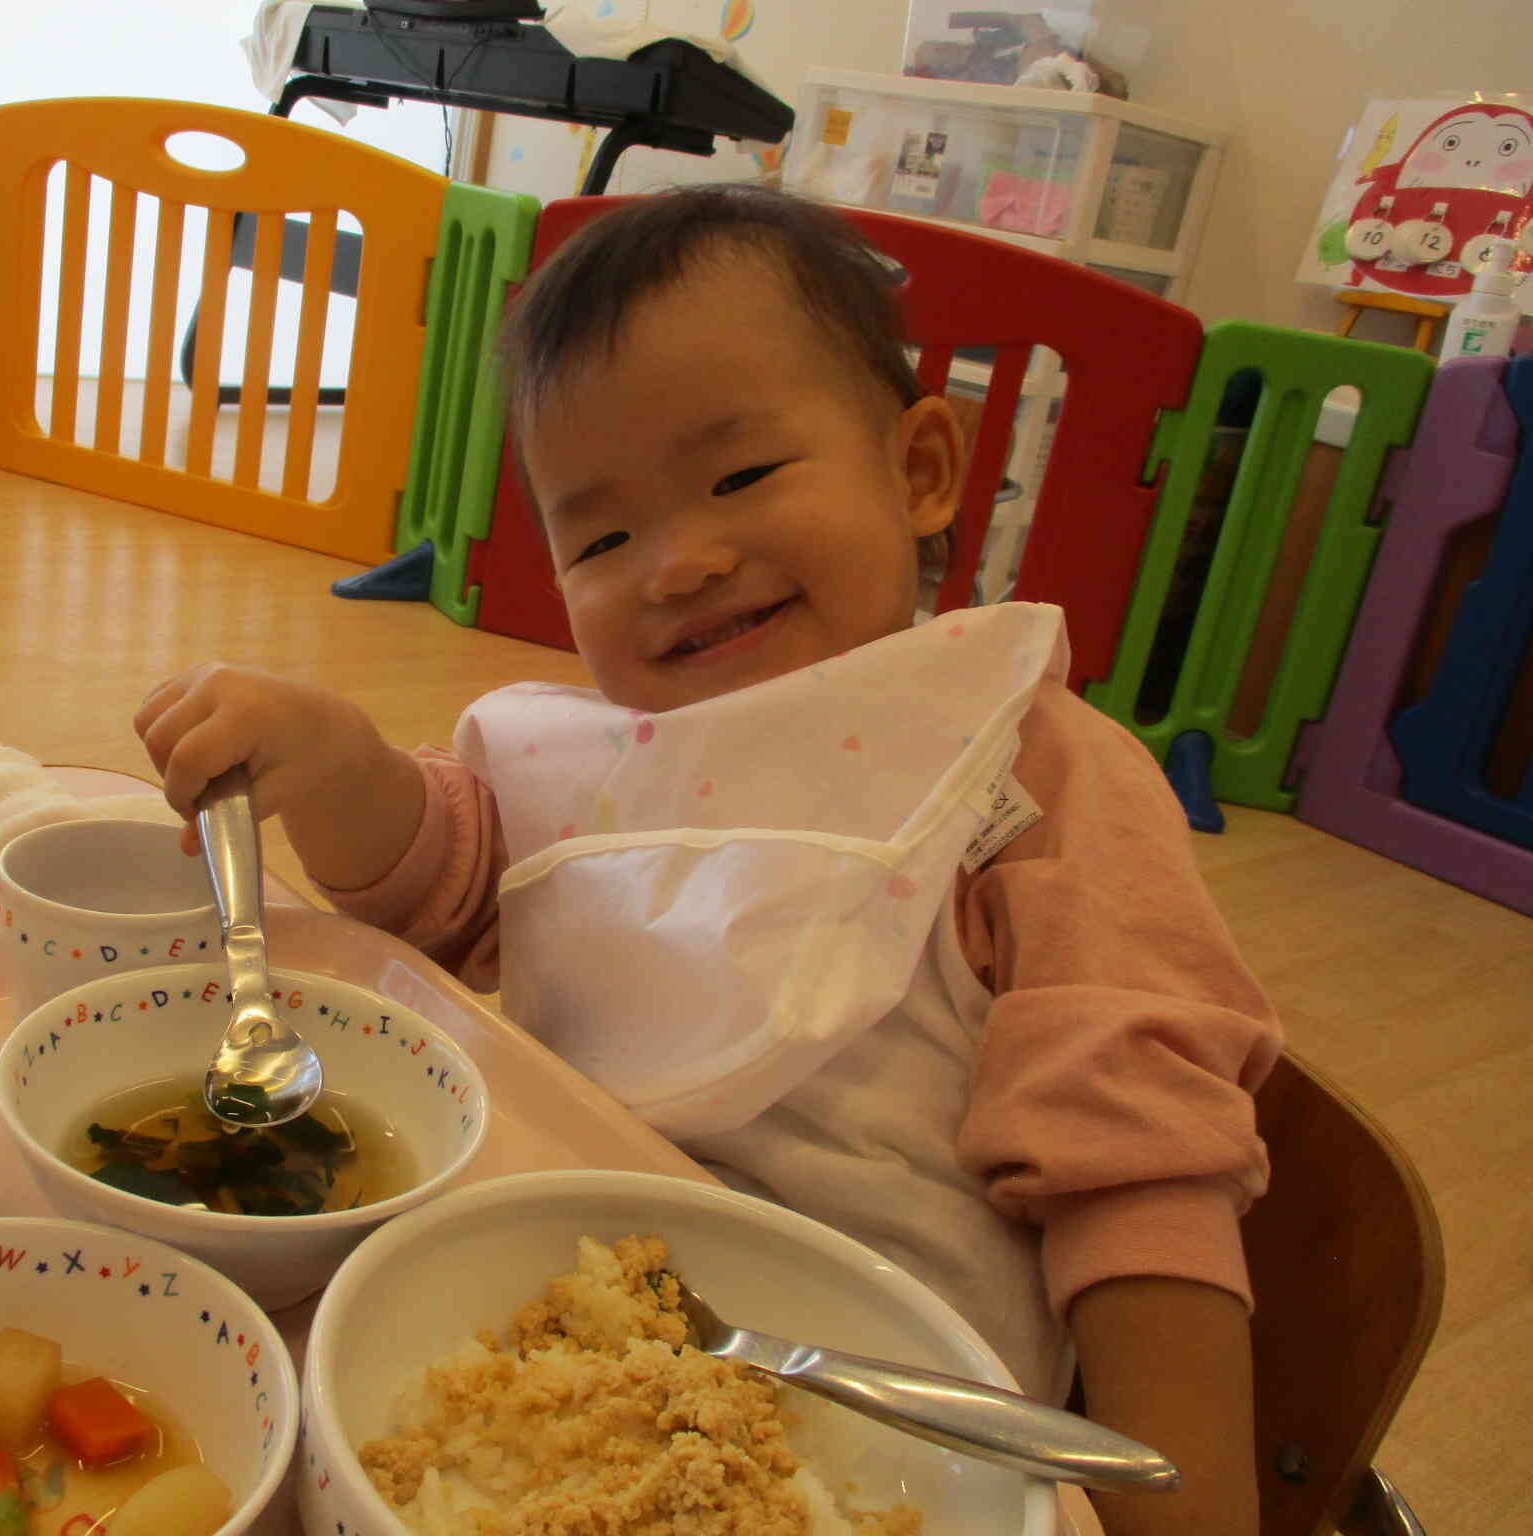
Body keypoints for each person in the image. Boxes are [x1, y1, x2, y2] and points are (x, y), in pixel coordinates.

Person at [135, 183, 1279, 1535]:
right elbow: (451, 889)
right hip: (539, 1344)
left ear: (919, 471)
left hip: (873, 1433)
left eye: (740, 478)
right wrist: (340, 769)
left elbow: (1140, 1173)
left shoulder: (1023, 775)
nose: (678, 565)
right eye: (605, 537)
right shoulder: (616, 748)